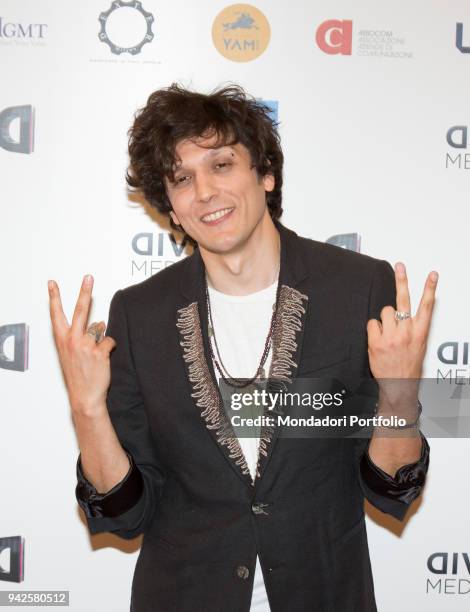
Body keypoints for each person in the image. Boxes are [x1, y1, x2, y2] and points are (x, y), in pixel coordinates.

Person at [48, 84, 438, 612]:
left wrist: (398, 393)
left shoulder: (358, 289)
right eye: (181, 178)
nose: (204, 191)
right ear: (173, 209)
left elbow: (393, 491)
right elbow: (122, 514)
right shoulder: (140, 315)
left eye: (222, 165)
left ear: (266, 175)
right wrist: (86, 406)